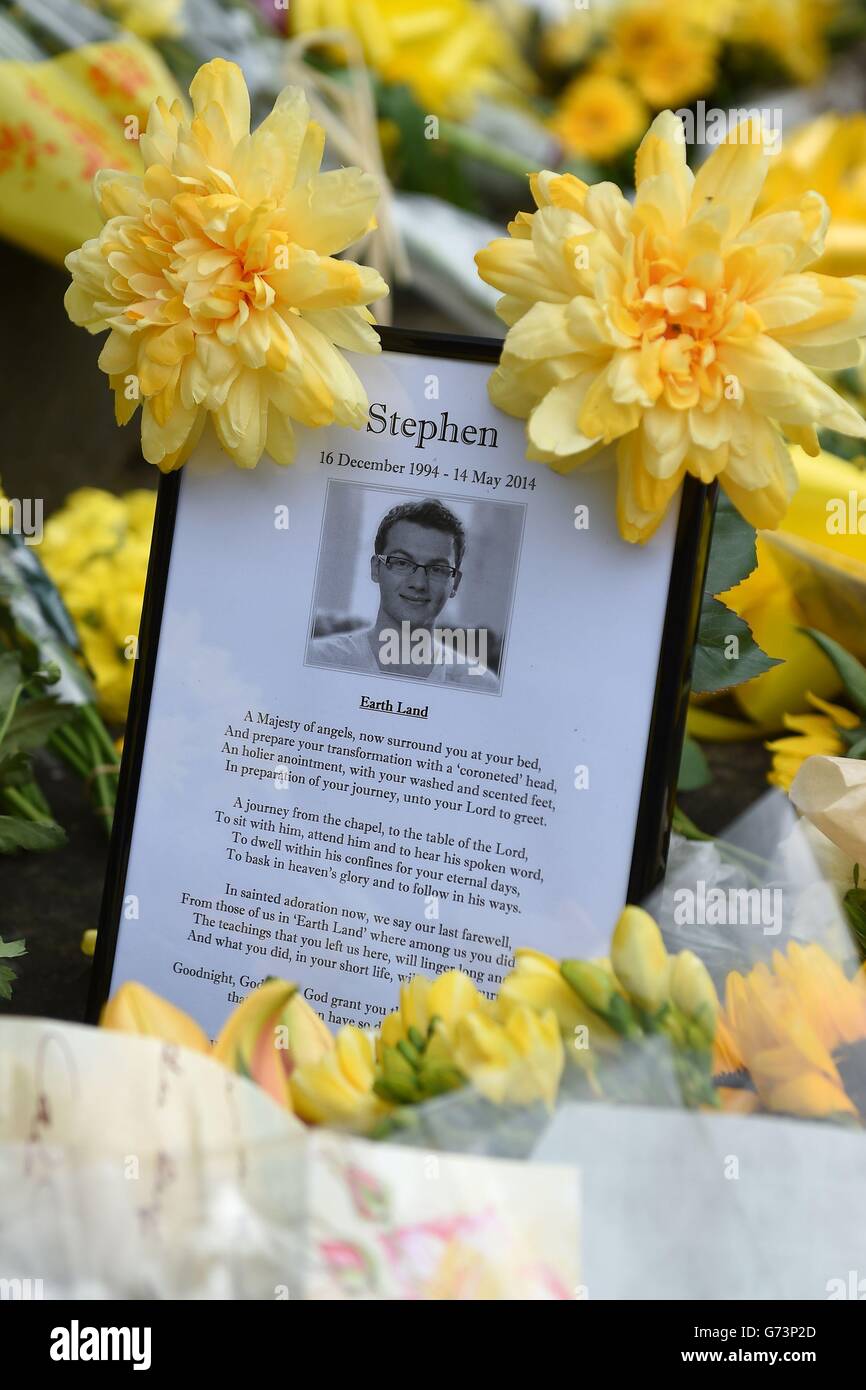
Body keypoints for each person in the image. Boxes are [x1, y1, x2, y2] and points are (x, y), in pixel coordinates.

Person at [309, 497, 498, 689]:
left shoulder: (480, 684)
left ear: (455, 583)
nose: (418, 583)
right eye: (401, 563)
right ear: (376, 569)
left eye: (437, 569)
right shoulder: (318, 658)